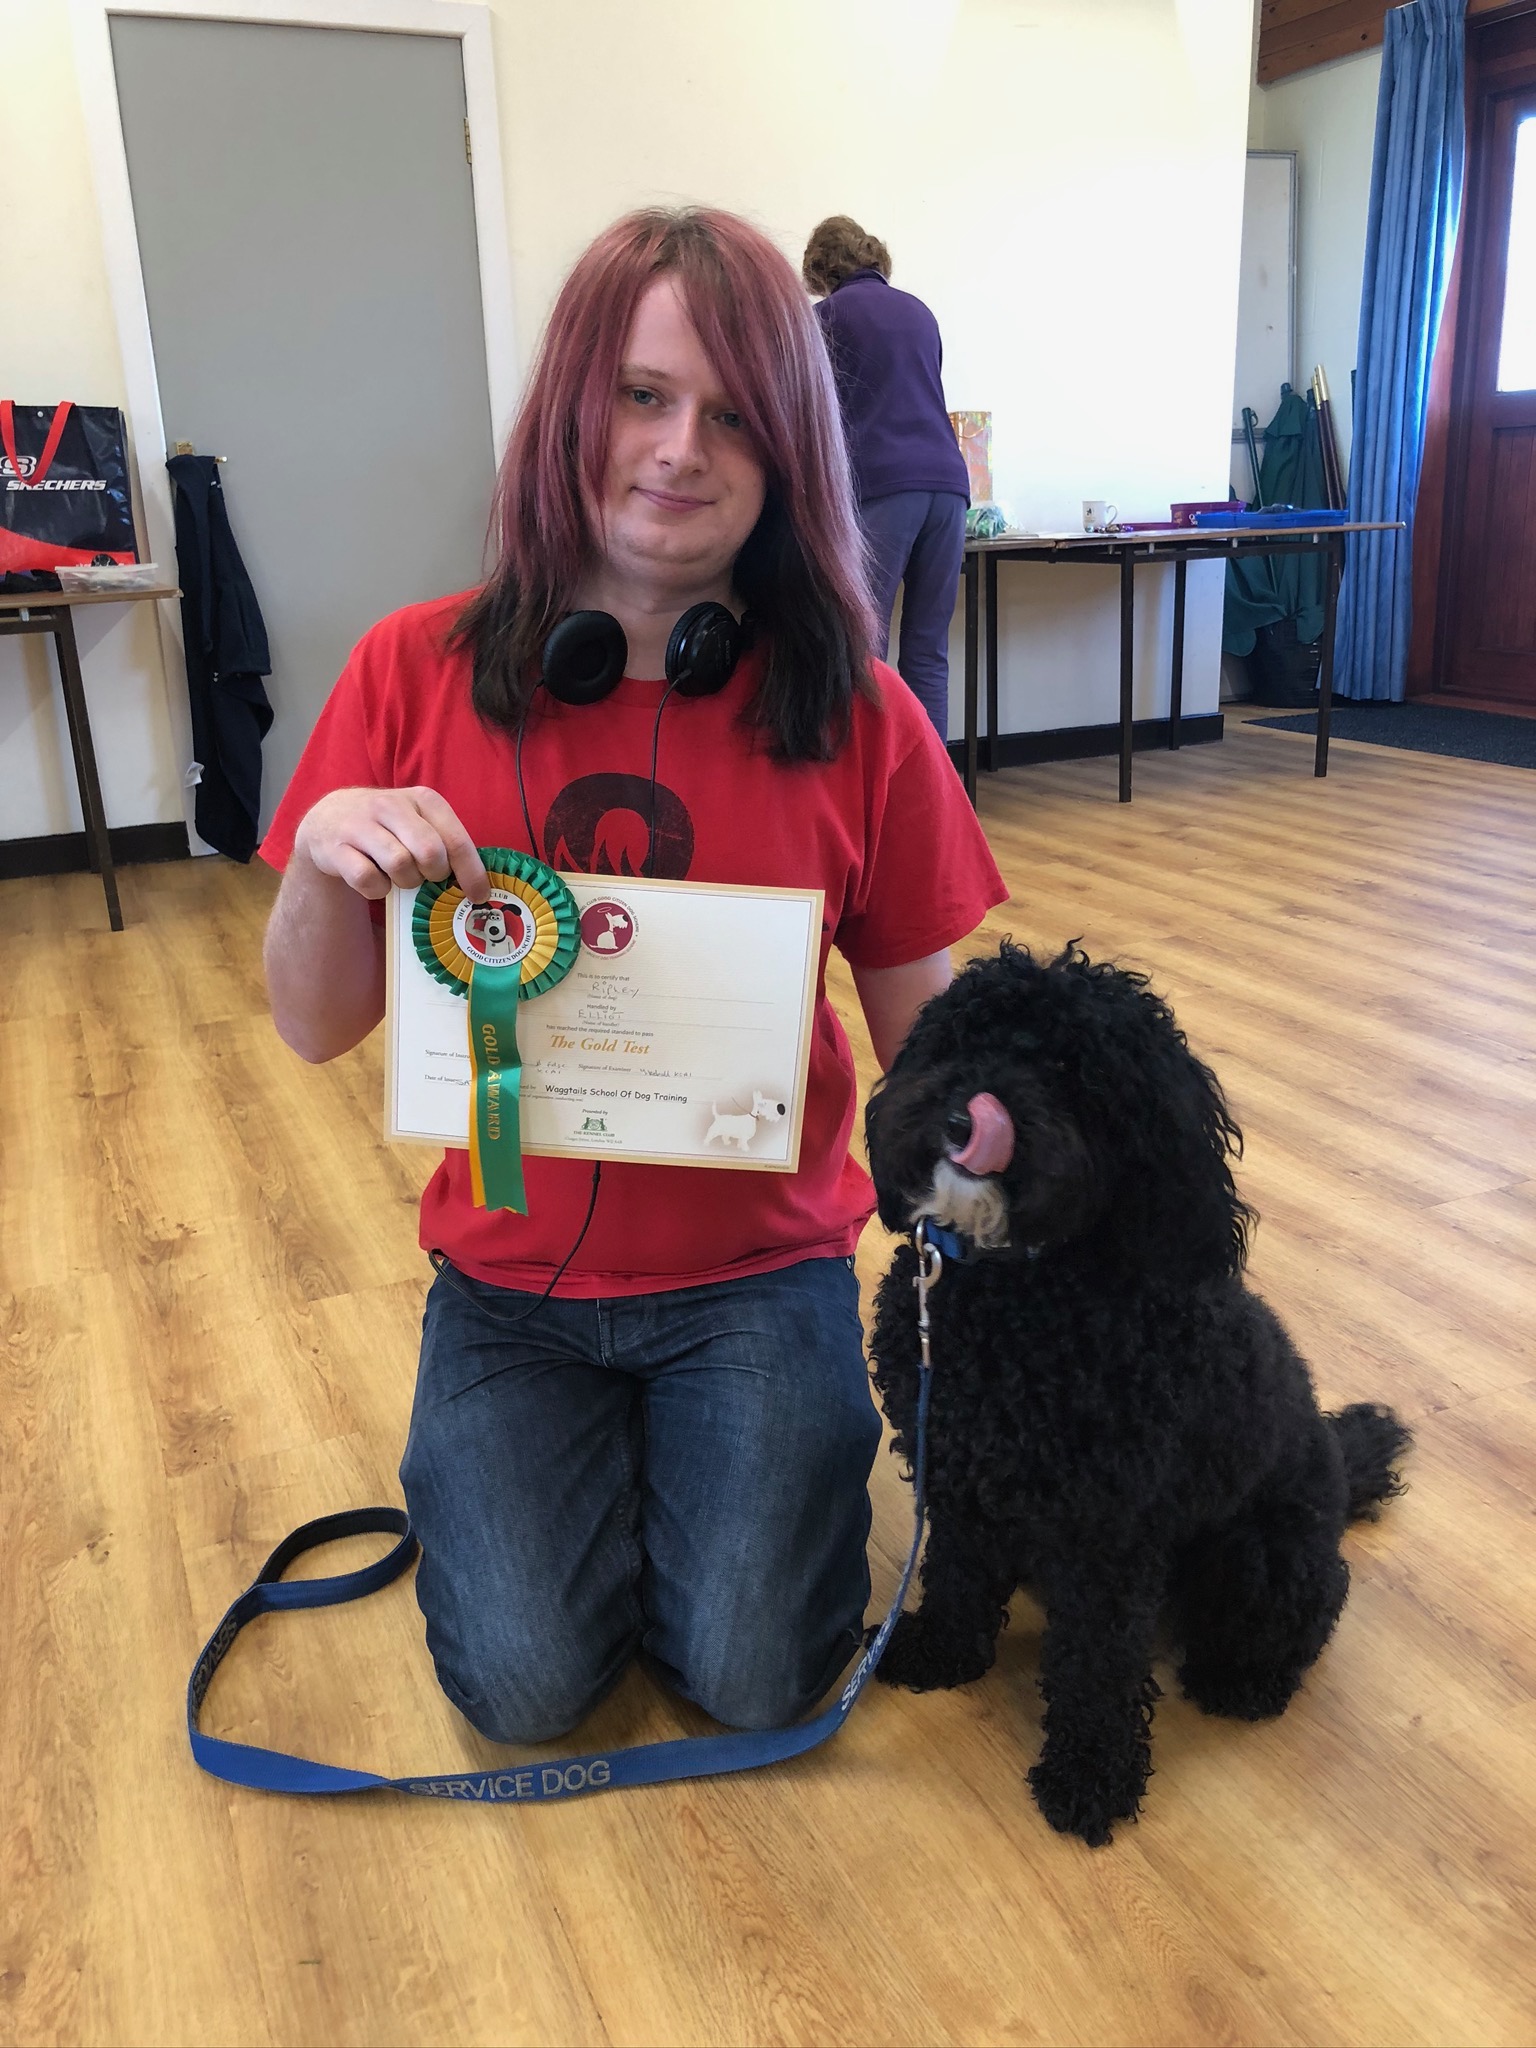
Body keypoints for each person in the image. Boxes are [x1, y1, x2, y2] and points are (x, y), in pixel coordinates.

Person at [260, 207, 1006, 1745]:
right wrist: (328, 846)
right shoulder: (411, 665)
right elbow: (314, 1020)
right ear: (571, 412)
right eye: (644, 396)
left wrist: (1019, 1167)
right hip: (512, 1285)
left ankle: (701, 1472)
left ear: (791, 452)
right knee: (525, 1688)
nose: (680, 450)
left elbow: (934, 1053)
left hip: (759, 1274)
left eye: (734, 413)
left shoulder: (863, 714)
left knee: (750, 1676)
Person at [803, 215, 971, 744]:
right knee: (927, 648)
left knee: (862, 646)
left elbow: (809, 413)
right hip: (948, 489)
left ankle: (865, 790)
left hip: (884, 488)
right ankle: (930, 796)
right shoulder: (920, 312)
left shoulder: (825, 317)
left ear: (820, 268)